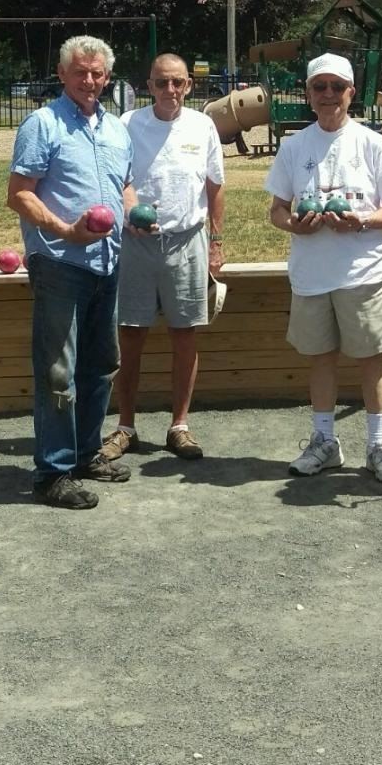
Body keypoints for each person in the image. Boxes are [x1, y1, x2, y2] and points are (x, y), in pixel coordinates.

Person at [266, 52, 382, 483]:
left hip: (363, 272)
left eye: (336, 87)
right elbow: (276, 210)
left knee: (372, 360)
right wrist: (294, 225)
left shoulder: (371, 142)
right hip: (311, 276)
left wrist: (362, 221)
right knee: (321, 360)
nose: (328, 95)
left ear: (351, 93)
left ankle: (378, 446)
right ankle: (325, 442)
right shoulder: (294, 146)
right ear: (309, 95)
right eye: (319, 87)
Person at [7, 35, 133, 510]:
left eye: (98, 73)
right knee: (59, 372)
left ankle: (85, 455)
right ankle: (52, 474)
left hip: (108, 263)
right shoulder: (43, 124)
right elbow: (19, 193)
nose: (90, 81)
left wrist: (138, 216)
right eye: (80, 72)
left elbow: (126, 187)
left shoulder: (116, 129)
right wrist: (65, 230)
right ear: (62, 74)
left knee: (100, 364)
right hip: (60, 263)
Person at [102, 52, 226, 463]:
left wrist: (216, 242)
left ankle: (179, 426)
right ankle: (125, 426)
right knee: (131, 335)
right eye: (161, 83)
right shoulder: (128, 124)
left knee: (184, 335)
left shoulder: (203, 124)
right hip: (136, 243)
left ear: (189, 84)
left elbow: (215, 187)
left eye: (177, 83)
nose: (169, 91)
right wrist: (129, 209)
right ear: (148, 85)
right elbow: (120, 179)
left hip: (188, 241)